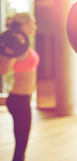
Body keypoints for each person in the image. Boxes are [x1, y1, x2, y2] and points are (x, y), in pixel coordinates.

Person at [0, 13, 39, 161]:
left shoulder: (23, 44)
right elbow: (3, 70)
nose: (35, 27)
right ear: (24, 25)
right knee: (21, 144)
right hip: (19, 100)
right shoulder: (16, 43)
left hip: (24, 99)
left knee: (22, 143)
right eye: (33, 23)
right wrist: (11, 51)